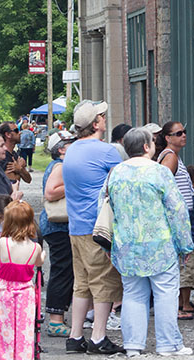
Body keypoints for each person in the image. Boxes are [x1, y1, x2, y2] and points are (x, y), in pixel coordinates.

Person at [106, 127, 194, 356]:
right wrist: (185, 243)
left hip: (128, 244)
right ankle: (168, 344)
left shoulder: (116, 173)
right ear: (146, 147)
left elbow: (110, 207)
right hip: (159, 244)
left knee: (133, 294)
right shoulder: (159, 173)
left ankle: (133, 345)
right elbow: (177, 210)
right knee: (166, 293)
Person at [61, 100, 125, 354]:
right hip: (98, 227)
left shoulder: (72, 150)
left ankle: (75, 336)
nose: (105, 119)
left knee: (82, 282)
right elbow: (122, 182)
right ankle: (98, 337)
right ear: (96, 124)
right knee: (104, 282)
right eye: (102, 116)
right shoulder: (106, 151)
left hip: (76, 226)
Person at [154, 121, 194, 319]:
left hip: (181, 214)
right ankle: (177, 307)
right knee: (181, 261)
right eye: (178, 133)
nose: (183, 136)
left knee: (181, 261)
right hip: (177, 216)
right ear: (168, 138)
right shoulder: (170, 157)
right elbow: (162, 184)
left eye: (184, 132)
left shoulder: (174, 157)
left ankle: (180, 304)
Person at [0, 200, 45, 359]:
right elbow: (39, 262)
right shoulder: (36, 248)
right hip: (26, 294)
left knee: (4, 330)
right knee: (24, 331)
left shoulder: (3, 243)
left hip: (5, 291)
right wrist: (42, 256)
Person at [38, 130, 76, 337]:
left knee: (65, 269)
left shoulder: (58, 166)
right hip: (59, 226)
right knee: (62, 270)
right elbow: (50, 192)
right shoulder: (60, 166)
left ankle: (59, 315)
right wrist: (73, 184)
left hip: (59, 226)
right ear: (61, 149)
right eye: (70, 142)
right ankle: (55, 319)